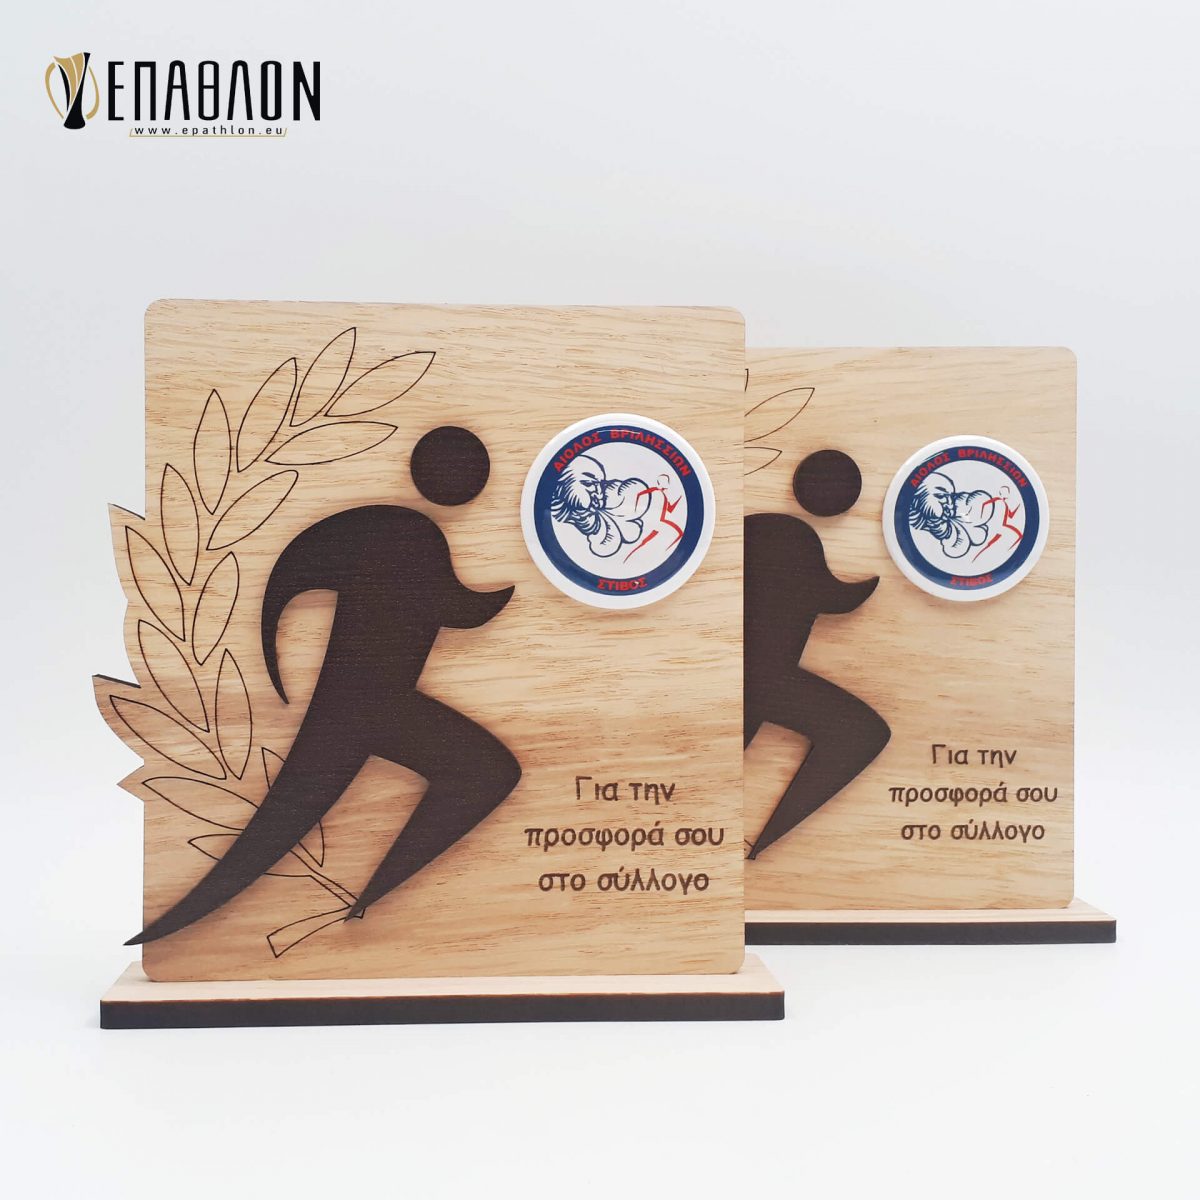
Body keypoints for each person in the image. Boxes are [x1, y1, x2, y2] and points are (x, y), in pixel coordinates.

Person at [128, 426, 520, 945]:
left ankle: (364, 905)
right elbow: (460, 609)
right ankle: (363, 906)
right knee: (485, 771)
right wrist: (500, 594)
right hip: (371, 709)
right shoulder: (408, 535)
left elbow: (293, 574)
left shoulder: (386, 528)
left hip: (368, 708)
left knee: (481, 772)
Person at [744, 450, 891, 858]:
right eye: (802, 607)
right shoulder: (768, 684)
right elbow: (860, 735)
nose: (802, 625)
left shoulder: (770, 685)